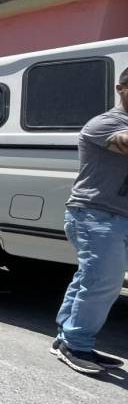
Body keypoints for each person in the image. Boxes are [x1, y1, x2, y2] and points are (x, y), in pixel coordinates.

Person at [53, 67, 128, 375]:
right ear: (121, 88)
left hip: (115, 216)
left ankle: (65, 338)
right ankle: (76, 344)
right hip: (94, 214)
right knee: (104, 282)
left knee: (88, 278)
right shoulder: (106, 122)